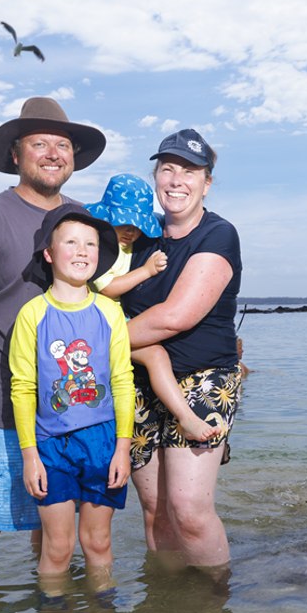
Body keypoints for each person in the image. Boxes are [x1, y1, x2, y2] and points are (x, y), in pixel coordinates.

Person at [0, 96, 106, 577]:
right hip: (7, 404)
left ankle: (49, 608)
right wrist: (3, 359)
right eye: (39, 144)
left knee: (55, 519)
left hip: (72, 403)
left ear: (73, 157)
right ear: (16, 154)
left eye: (62, 145)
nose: (53, 154)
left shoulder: (81, 218)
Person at [121, 128, 244, 572]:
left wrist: (94, 343)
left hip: (203, 377)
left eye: (189, 171)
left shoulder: (219, 234)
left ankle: (215, 594)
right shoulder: (139, 238)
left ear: (206, 183)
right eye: (167, 169)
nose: (176, 180)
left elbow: (175, 317)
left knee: (189, 512)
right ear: (155, 177)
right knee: (156, 512)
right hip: (137, 381)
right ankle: (169, 598)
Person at [9, 203, 134, 593]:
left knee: (98, 542)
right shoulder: (32, 314)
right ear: (49, 254)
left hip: (103, 441)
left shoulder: (109, 312)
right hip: (51, 444)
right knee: (58, 547)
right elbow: (22, 388)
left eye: (91, 244)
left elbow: (123, 381)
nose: (82, 251)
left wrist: (123, 448)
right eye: (71, 243)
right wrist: (30, 456)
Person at [86, 173, 220, 443]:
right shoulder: (99, 247)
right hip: (97, 325)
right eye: (124, 223)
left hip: (117, 322)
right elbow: (107, 287)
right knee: (156, 355)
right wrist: (146, 271)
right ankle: (185, 416)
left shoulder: (130, 245)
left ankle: (180, 416)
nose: (131, 231)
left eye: (138, 226)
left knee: (155, 357)